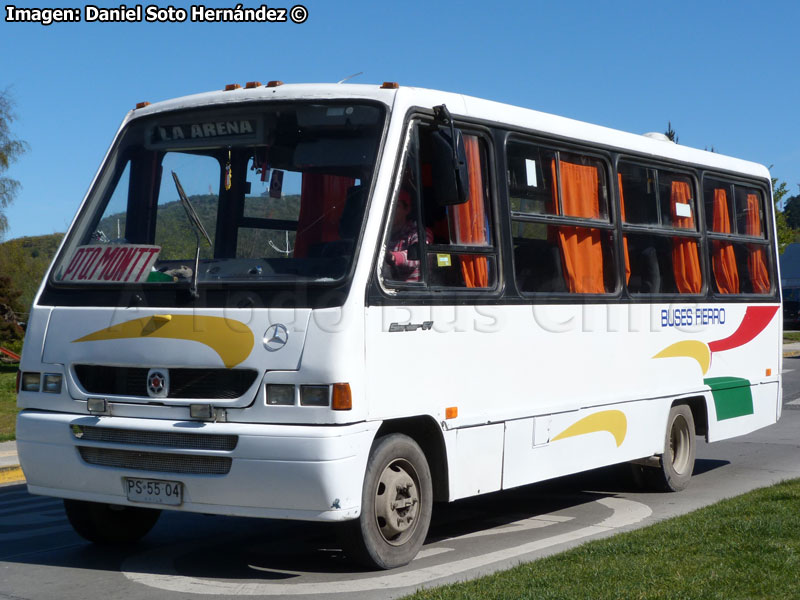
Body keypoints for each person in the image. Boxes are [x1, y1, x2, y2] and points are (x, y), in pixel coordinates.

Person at [385, 189, 432, 283]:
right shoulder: (383, 235)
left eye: (396, 206)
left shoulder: (420, 231)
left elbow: (420, 256)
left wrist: (393, 257)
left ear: (407, 209)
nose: (391, 210)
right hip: (388, 287)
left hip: (412, 292)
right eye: (388, 206)